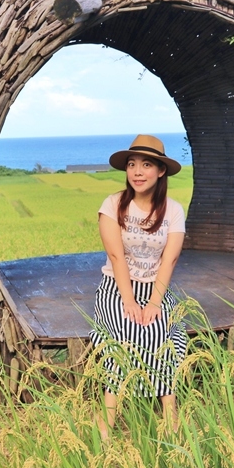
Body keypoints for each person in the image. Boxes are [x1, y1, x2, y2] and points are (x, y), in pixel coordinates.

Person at [90, 134, 187, 438]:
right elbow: (116, 256)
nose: (137, 172)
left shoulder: (172, 210)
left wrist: (155, 303)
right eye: (132, 165)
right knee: (126, 332)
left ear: (161, 171)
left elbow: (169, 260)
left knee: (160, 332)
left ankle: (170, 418)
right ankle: (107, 420)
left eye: (147, 165)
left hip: (155, 290)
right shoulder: (112, 204)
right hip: (116, 288)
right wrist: (129, 301)